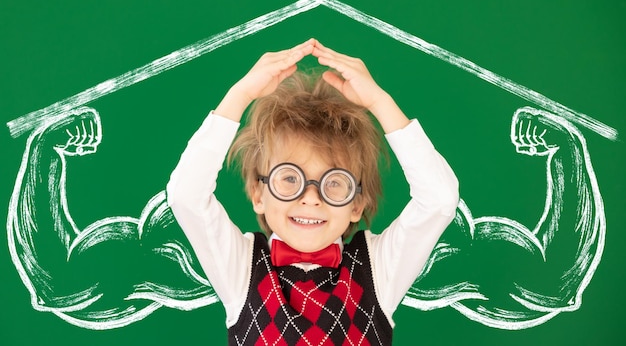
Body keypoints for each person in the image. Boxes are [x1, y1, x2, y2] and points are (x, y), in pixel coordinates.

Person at [166, 38, 460, 344]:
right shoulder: (241, 270)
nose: (310, 197)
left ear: (357, 203)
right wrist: (240, 95)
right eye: (290, 178)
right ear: (258, 193)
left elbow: (439, 199)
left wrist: (380, 103)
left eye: (334, 183)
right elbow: (186, 195)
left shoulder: (378, 270)